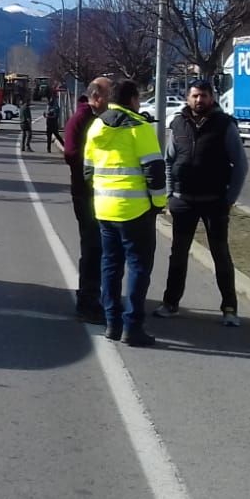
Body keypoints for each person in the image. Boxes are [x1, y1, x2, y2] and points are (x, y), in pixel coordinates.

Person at [154, 80, 248, 326]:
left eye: (204, 96)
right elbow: (168, 159)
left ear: (212, 98)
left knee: (221, 255)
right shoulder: (178, 124)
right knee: (178, 255)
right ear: (188, 98)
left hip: (215, 202)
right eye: (195, 96)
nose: (199, 100)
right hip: (183, 202)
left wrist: (230, 198)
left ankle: (229, 309)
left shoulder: (224, 124)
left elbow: (240, 165)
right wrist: (170, 193)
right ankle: (170, 303)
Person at [84, 79, 167, 347]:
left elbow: (88, 169)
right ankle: (133, 326)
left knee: (110, 266)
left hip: (105, 208)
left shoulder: (97, 126)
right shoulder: (139, 127)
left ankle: (112, 323)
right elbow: (154, 172)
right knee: (138, 268)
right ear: (133, 99)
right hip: (135, 210)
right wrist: (158, 203)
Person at [64, 78, 112, 325]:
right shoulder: (80, 119)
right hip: (86, 194)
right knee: (93, 247)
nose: (112, 99)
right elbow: (71, 154)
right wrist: (94, 169)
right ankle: (87, 301)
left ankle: (97, 296)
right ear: (96, 96)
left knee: (102, 248)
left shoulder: (101, 118)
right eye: (109, 94)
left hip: (103, 194)